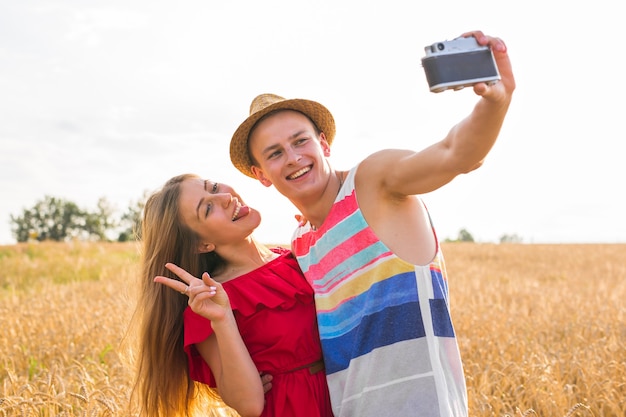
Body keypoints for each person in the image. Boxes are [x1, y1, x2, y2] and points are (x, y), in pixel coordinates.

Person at [228, 30, 515, 417]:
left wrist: (495, 102)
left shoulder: (373, 183)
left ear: (324, 144)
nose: (293, 158)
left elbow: (454, 154)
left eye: (301, 141)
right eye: (275, 153)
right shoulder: (300, 242)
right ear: (260, 173)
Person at [130, 173, 333, 417]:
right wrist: (223, 319)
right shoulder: (209, 303)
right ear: (201, 244)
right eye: (207, 207)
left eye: (213, 187)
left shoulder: (298, 253)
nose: (225, 197)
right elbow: (250, 405)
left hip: (352, 395)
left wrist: (326, 237)